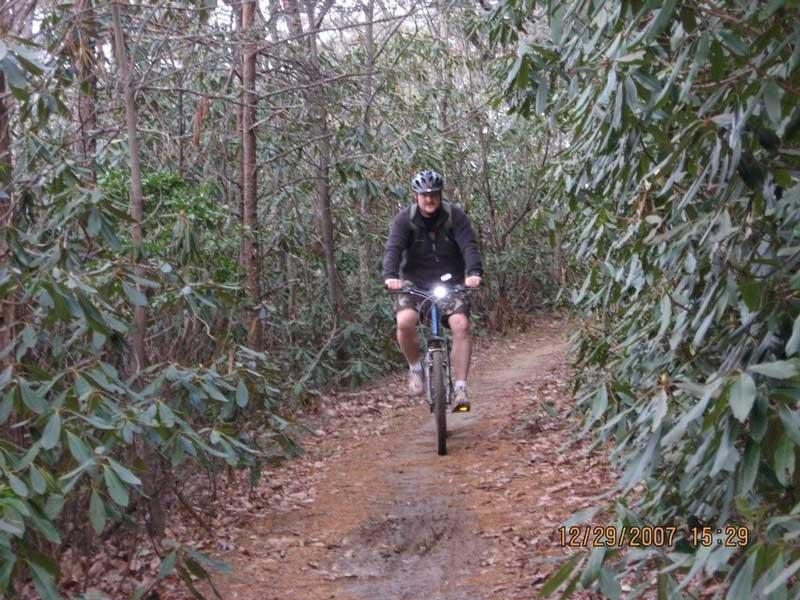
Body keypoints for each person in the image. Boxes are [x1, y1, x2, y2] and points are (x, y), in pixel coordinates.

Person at [382, 169, 483, 411]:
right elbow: (393, 249)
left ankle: (460, 387)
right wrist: (390, 276)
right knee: (405, 321)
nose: (429, 200)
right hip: (414, 283)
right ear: (416, 196)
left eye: (434, 195)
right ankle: (416, 369)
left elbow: (468, 244)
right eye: (424, 195)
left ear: (440, 194)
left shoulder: (454, 216)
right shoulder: (404, 219)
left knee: (461, 325)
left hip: (451, 282)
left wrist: (474, 273)